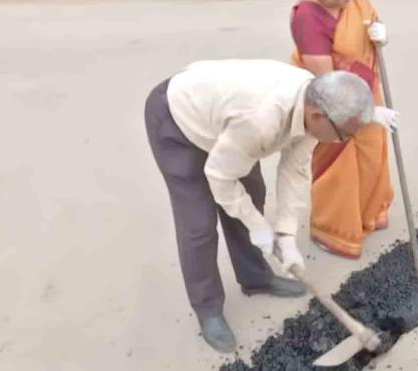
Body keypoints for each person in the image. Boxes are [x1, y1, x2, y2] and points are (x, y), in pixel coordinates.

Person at [144, 59, 398, 353]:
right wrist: (258, 227)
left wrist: (286, 237)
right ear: (318, 116)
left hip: (226, 122)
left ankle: (255, 277)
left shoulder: (315, 107)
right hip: (178, 122)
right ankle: (208, 308)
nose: (344, 141)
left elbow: (294, 172)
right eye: (344, 135)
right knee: (198, 224)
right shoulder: (261, 122)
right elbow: (220, 177)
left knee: (252, 193)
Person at [290, 0, 395, 259]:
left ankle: (368, 213)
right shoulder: (307, 17)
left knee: (371, 155)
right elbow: (325, 82)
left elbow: (368, 23)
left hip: (366, 89)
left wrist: (380, 34)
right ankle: (333, 230)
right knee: (339, 167)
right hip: (333, 105)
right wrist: (364, 113)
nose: (343, 0)